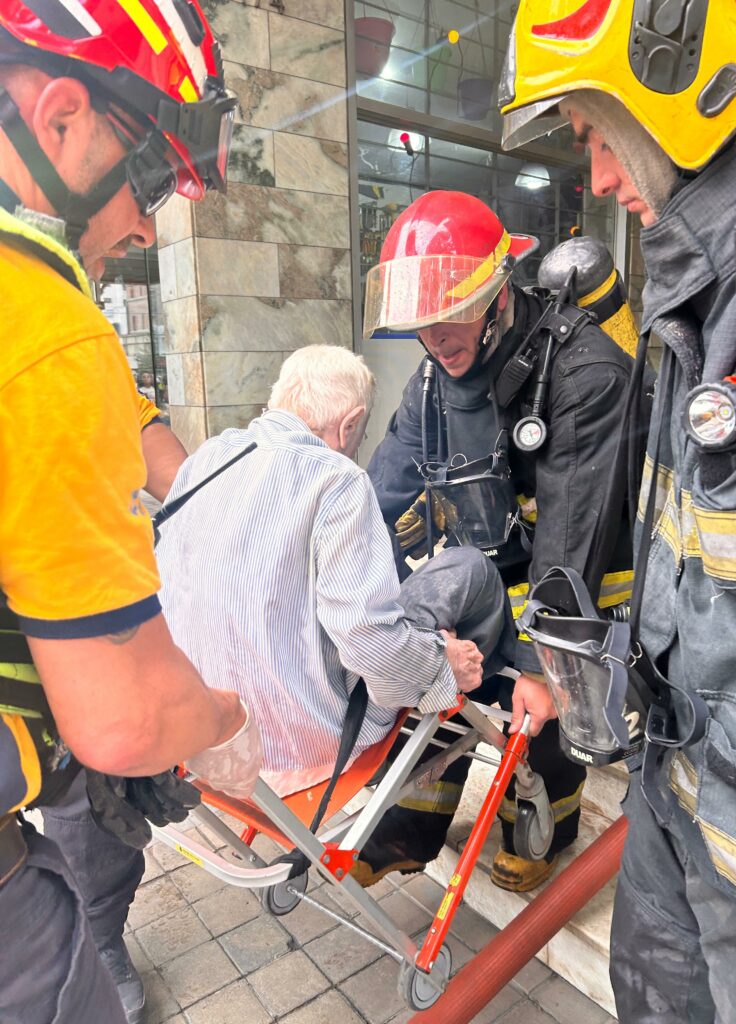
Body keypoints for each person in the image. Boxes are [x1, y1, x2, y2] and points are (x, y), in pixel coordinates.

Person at [499, 3, 736, 1021]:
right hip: (675, 789)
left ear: (680, 74)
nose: (601, 180)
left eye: (595, 134)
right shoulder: (702, 288)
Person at [0, 3, 262, 1022]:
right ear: (60, 117)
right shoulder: (41, 323)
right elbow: (129, 717)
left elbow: (129, 444)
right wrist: (222, 718)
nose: (148, 222)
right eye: (150, 174)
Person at [355, 190, 635, 893]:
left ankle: (542, 828)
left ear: (498, 291)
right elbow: (376, 498)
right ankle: (408, 829)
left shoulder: (582, 374)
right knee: (437, 658)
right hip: (496, 564)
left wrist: (545, 668)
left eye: (452, 314)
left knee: (536, 690)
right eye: (421, 323)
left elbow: (570, 541)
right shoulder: (429, 386)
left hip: (587, 571)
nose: (435, 337)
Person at [155, 345, 517, 795]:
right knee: (469, 567)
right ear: (350, 423)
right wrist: (442, 666)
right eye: (359, 436)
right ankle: (486, 697)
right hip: (312, 740)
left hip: (208, 732)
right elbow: (368, 640)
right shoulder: (336, 479)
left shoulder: (204, 461)